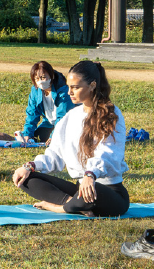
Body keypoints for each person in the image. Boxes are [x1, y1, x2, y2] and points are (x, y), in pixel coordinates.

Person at [11, 60, 129, 217]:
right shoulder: (70, 117)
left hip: (108, 192)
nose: (69, 92)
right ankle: (74, 204)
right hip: (81, 190)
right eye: (69, 87)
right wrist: (30, 166)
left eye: (76, 87)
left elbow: (109, 153)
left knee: (94, 191)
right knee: (26, 179)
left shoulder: (111, 114)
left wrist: (90, 174)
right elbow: (54, 155)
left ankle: (61, 207)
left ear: (92, 85)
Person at [0, 60, 73, 146]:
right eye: (37, 78)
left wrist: (54, 136)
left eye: (44, 77)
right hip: (49, 123)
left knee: (60, 140)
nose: (40, 81)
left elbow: (62, 117)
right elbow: (32, 114)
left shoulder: (63, 91)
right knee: (36, 138)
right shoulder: (35, 91)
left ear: (51, 76)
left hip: (67, 124)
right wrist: (27, 134)